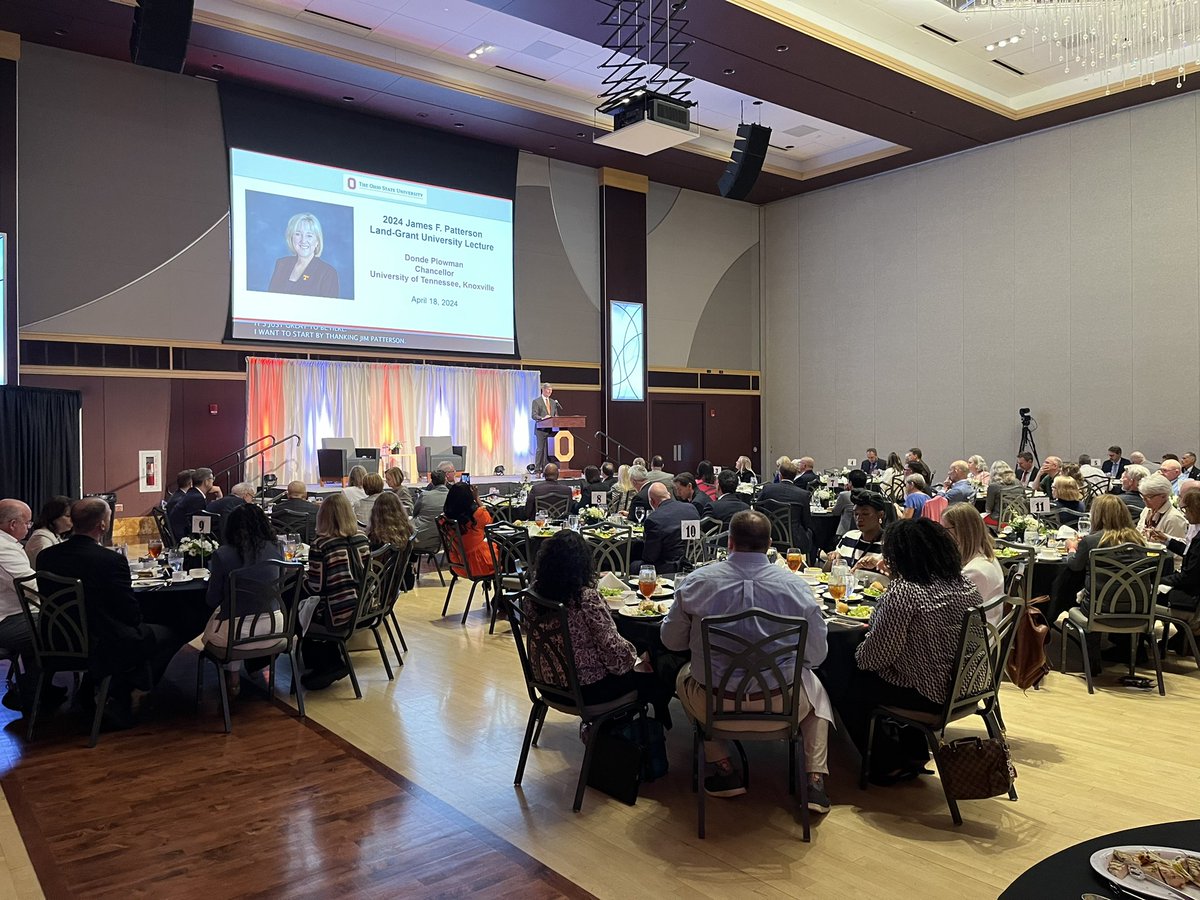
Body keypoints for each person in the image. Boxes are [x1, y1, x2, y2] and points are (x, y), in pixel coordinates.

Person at [660, 510, 832, 811]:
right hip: (782, 704)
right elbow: (816, 656)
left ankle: (724, 767)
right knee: (815, 688)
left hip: (714, 704)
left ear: (729, 542)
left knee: (684, 676)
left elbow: (671, 642)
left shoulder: (696, 583)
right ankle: (814, 779)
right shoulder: (797, 588)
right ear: (769, 544)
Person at [835, 518, 983, 783]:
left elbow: (874, 658)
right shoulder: (964, 585)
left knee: (844, 679)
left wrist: (855, 650)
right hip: (966, 686)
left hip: (930, 694)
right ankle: (912, 752)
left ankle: (885, 762)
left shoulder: (905, 593)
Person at [39, 498, 181, 726]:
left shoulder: (47, 556)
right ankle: (128, 687)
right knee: (171, 633)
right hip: (102, 641)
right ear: (102, 526)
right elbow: (129, 614)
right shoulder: (110, 560)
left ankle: (98, 687)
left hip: (57, 637)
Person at [523, 530, 661, 710]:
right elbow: (615, 654)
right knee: (654, 672)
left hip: (546, 684)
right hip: (587, 691)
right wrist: (639, 657)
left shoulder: (531, 597)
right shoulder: (584, 599)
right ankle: (632, 730)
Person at [202, 504, 286, 696]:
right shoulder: (278, 548)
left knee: (226, 619)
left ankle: (232, 677)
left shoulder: (223, 554)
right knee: (239, 617)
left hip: (236, 634)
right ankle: (255, 666)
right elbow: (279, 588)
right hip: (275, 629)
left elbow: (212, 599)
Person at [300, 493, 370, 690]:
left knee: (296, 604)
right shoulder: (362, 538)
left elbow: (316, 587)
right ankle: (327, 660)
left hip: (338, 612)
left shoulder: (321, 545)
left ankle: (324, 664)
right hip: (365, 607)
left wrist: (300, 580)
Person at [0, 500, 57, 714]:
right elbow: (30, 587)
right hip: (6, 622)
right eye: (27, 522)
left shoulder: (6, 543)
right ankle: (30, 694)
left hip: (12, 616)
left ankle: (37, 693)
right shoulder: (3, 548)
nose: (29, 526)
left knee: (46, 627)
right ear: (13, 524)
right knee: (59, 629)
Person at [1149, 488, 1200, 649]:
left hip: (1192, 599)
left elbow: (1188, 578)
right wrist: (1167, 540)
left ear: (1195, 509)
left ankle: (1136, 649)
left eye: (1185, 509)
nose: (1183, 514)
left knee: (1142, 598)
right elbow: (1188, 553)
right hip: (1192, 591)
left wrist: (1157, 580)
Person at [942, 504, 1004, 625]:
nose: (942, 534)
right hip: (986, 628)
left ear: (961, 531)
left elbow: (951, 613)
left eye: (945, 529)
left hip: (977, 637)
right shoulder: (986, 557)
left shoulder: (975, 571)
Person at [267, 212, 340, 298]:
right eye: (298, 234)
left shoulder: (328, 273)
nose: (303, 240)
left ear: (317, 241)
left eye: (309, 236)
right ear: (291, 238)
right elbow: (270, 300)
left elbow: (329, 310)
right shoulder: (281, 264)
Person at [758, 459, 815, 557]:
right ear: (795, 476)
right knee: (811, 533)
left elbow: (758, 511)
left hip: (769, 536)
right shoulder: (803, 495)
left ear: (780, 475)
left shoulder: (767, 489)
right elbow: (806, 522)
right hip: (794, 540)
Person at [638, 483, 700, 574]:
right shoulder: (691, 508)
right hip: (695, 560)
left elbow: (650, 557)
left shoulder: (653, 519)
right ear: (669, 495)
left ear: (652, 501)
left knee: (634, 565)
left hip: (671, 567)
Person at [441, 483, 495, 578]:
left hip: (458, 564)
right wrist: (477, 498)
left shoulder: (444, 520)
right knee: (506, 553)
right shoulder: (477, 515)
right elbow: (489, 523)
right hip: (479, 564)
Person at [828, 491, 887, 571]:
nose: (859, 519)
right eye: (856, 514)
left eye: (865, 514)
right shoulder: (849, 537)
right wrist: (831, 560)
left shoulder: (889, 544)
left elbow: (899, 579)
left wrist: (880, 566)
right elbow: (826, 573)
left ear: (880, 515)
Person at [1136, 473, 1188, 543]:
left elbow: (1176, 550)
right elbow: (1138, 533)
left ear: (1163, 496)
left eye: (1149, 497)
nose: (1144, 500)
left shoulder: (1174, 518)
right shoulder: (1147, 510)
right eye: (1142, 496)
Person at [24, 495, 72, 567]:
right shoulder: (41, 539)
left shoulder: (56, 536)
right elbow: (48, 567)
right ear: (54, 516)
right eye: (68, 516)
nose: (72, 519)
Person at [410, 468, 450, 554]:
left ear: (432, 482)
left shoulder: (424, 495)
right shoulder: (451, 497)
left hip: (417, 538)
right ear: (445, 480)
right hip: (441, 540)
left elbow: (414, 514)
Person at [169, 466, 211, 541]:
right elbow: (199, 528)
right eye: (212, 479)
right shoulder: (197, 498)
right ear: (206, 482)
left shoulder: (192, 493)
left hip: (178, 533)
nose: (213, 482)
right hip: (184, 538)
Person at [367, 490, 412, 555]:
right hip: (402, 564)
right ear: (399, 509)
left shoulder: (377, 538)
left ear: (376, 512)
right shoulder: (407, 529)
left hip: (380, 564)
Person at [983, 461, 1026, 527]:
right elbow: (1025, 499)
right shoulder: (1018, 482)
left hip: (999, 519)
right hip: (1019, 517)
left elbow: (988, 508)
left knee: (980, 519)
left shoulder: (993, 486)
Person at [530, 382, 561, 472]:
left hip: (551, 429)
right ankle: (537, 469)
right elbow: (534, 415)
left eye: (551, 390)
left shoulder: (553, 402)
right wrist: (543, 418)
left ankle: (547, 468)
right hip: (541, 429)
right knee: (540, 449)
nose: (550, 392)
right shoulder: (536, 401)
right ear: (543, 390)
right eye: (548, 390)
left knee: (549, 450)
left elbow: (555, 415)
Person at [828, 469, 869, 536]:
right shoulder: (871, 495)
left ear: (850, 482)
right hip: (865, 532)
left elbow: (836, 512)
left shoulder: (844, 495)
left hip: (846, 532)